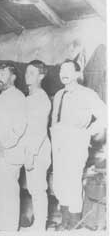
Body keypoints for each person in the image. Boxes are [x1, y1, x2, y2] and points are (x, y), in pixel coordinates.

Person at [50, 60, 106, 230]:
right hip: (58, 143)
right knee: (59, 183)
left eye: (68, 70)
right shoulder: (59, 94)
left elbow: (105, 115)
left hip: (75, 142)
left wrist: (88, 132)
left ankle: (73, 223)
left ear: (77, 74)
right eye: (61, 69)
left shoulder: (87, 94)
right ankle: (65, 219)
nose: (63, 73)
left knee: (72, 182)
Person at [0, 63, 27, 231]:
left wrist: (5, 143)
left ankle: (10, 229)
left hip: (8, 153)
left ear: (13, 77)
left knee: (9, 194)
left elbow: (19, 126)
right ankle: (4, 227)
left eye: (2, 74)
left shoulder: (18, 97)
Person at [22, 60, 52, 231]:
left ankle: (40, 226)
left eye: (32, 73)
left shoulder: (41, 98)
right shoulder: (30, 97)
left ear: (41, 76)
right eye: (26, 72)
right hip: (30, 149)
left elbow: (40, 130)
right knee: (34, 188)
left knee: (38, 189)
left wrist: (31, 154)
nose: (27, 75)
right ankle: (37, 223)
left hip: (38, 151)